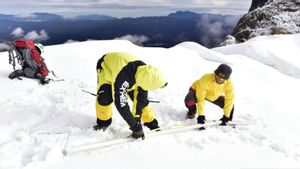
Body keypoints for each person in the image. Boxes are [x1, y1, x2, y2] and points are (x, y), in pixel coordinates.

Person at [94, 52, 167, 139]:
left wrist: (137, 119)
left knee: (142, 101)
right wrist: (135, 126)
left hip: (128, 74)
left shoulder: (147, 73)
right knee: (105, 98)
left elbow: (140, 100)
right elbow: (121, 104)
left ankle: (150, 121)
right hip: (106, 69)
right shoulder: (122, 78)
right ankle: (103, 122)